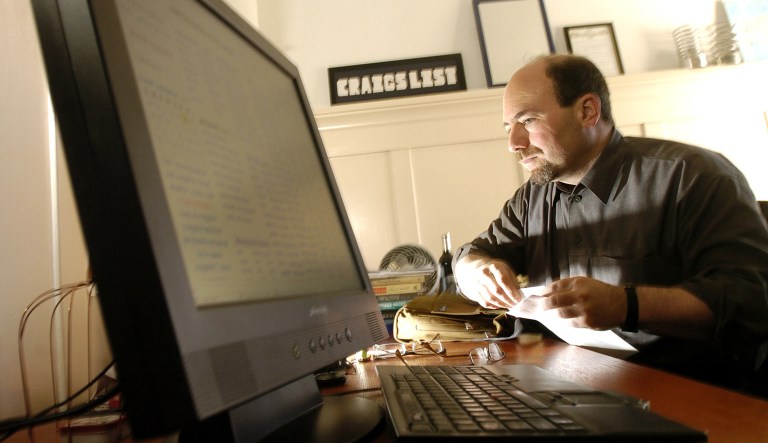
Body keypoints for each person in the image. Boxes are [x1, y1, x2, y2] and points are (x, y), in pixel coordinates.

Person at [453, 54, 768, 394]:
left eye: (527, 120)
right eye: (508, 127)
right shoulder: (532, 196)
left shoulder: (690, 176)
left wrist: (624, 305)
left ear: (587, 111)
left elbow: (750, 302)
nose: (513, 142)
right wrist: (478, 272)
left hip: (688, 392)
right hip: (565, 386)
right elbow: (472, 254)